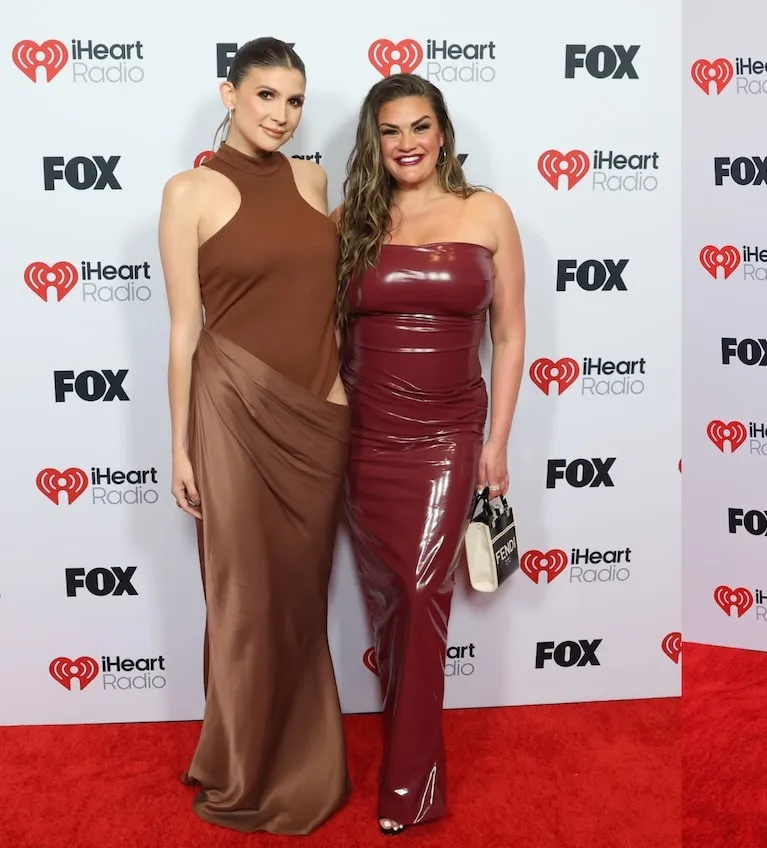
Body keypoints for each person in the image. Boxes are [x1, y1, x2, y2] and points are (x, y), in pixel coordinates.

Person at [157, 37, 351, 835]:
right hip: (231, 415)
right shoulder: (188, 192)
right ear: (230, 94)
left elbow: (327, 312)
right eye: (267, 95)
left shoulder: (314, 179)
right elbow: (181, 333)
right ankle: (241, 764)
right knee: (242, 600)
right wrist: (178, 445)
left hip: (316, 418)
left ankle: (301, 759)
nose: (283, 114)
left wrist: (337, 400)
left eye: (296, 100)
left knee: (300, 600)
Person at [333, 73, 526, 836]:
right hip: (364, 439)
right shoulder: (351, 220)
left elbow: (508, 335)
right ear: (374, 142)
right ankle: (407, 753)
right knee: (390, 604)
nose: (407, 142)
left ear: (442, 131)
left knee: (420, 595)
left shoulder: (487, 212)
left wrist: (497, 442)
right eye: (391, 130)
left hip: (449, 434)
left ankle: (410, 787)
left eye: (420, 126)